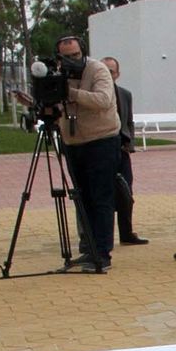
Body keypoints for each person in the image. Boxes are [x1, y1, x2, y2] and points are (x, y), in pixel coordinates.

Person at [55, 35, 120, 270]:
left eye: (76, 55)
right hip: (73, 143)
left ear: (83, 51)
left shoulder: (98, 70)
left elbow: (103, 100)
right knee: (82, 198)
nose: (72, 60)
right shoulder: (58, 74)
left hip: (101, 141)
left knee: (101, 198)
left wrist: (71, 93)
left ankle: (102, 253)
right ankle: (89, 248)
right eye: (66, 57)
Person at [103, 57, 147, 246]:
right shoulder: (96, 95)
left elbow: (129, 121)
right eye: (104, 70)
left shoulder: (125, 94)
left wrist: (130, 144)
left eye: (111, 71)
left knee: (126, 192)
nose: (108, 74)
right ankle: (104, 235)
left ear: (117, 74)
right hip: (102, 151)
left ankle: (126, 233)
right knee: (104, 193)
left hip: (121, 151)